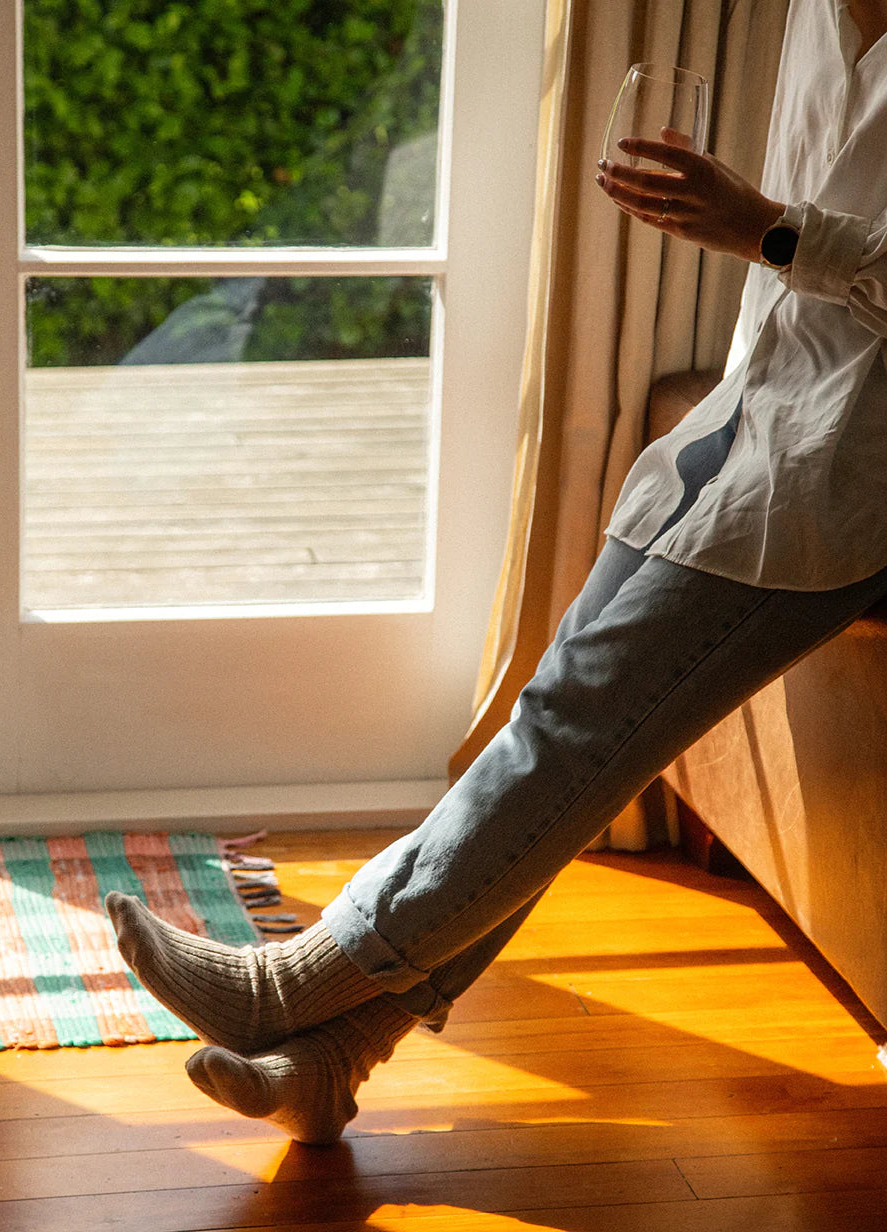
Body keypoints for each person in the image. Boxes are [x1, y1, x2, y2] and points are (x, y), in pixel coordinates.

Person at [106, 0, 887, 1145]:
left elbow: (803, 239)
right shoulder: (814, 12)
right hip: (749, 413)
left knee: (575, 730)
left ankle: (290, 988)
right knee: (557, 722)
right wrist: (754, 235)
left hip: (850, 463)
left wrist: (768, 228)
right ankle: (338, 1057)